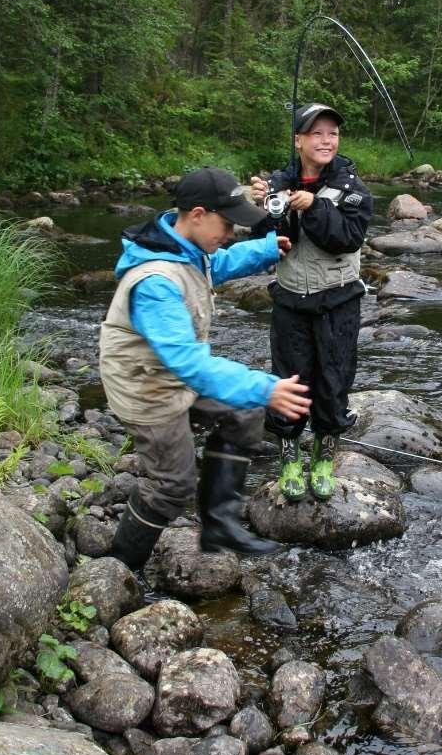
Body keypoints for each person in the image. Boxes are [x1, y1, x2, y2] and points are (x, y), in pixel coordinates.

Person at [99, 166, 311, 569]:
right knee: (172, 488)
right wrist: (267, 388)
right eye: (227, 224)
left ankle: (219, 523)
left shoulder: (184, 247)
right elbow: (189, 364)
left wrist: (265, 248)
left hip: (174, 377)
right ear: (197, 214)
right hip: (148, 391)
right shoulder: (156, 283)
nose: (231, 233)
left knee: (245, 415)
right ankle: (119, 567)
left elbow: (218, 264)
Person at [250, 102, 373, 501]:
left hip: (338, 301)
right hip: (290, 301)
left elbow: (347, 238)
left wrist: (315, 205)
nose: (326, 141)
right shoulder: (278, 182)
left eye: (332, 133)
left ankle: (324, 454)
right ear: (299, 140)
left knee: (334, 380)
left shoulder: (352, 187)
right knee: (289, 380)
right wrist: (263, 208)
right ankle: (289, 455)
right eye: (316, 133)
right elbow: (266, 241)